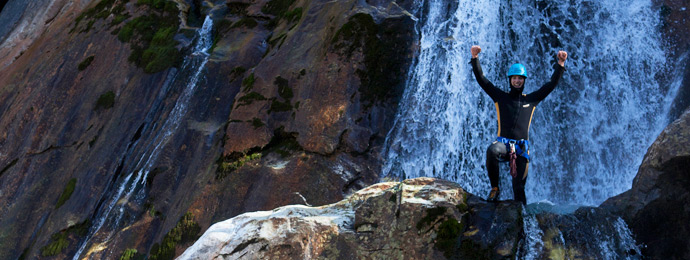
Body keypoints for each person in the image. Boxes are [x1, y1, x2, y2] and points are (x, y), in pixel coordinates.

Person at [470, 45, 567, 205]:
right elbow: (483, 80)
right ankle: (495, 188)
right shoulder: (500, 97)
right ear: (510, 79)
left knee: (519, 189)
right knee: (492, 150)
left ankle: (523, 223)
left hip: (522, 149)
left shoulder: (532, 99)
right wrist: (475, 58)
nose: (517, 80)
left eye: (520, 78)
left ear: (524, 80)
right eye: (514, 78)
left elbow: (550, 85)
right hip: (504, 145)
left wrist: (560, 64)